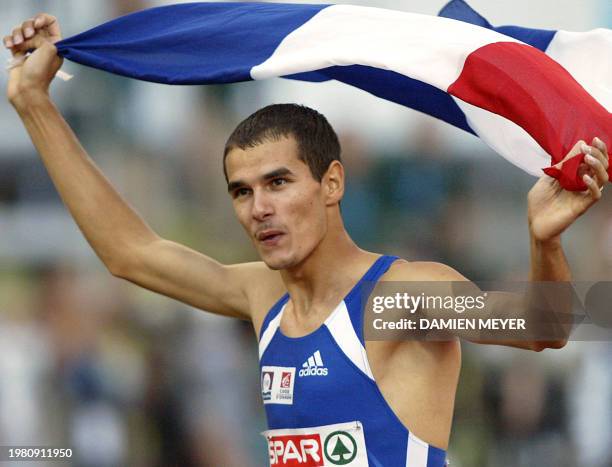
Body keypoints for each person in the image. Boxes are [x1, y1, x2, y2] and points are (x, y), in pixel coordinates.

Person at [4, 14, 609, 467]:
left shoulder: (399, 298)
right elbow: (129, 252)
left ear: (331, 183)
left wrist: (543, 241)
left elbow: (541, 328)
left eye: (278, 182)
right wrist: (34, 105)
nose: (259, 208)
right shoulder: (260, 294)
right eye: (241, 192)